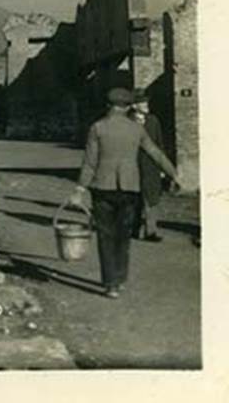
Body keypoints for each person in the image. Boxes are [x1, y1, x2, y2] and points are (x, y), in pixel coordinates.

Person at [71, 87, 180, 299]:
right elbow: (155, 153)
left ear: (108, 106)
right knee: (123, 236)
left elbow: (89, 163)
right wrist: (173, 174)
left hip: (102, 188)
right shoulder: (136, 129)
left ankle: (110, 284)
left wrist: (79, 189)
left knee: (106, 236)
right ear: (129, 107)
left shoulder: (97, 127)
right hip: (130, 188)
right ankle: (120, 279)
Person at [130, 90, 166, 242]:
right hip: (132, 166)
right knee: (134, 199)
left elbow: (159, 144)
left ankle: (151, 231)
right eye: (142, 103)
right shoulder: (127, 122)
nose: (146, 105)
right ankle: (134, 229)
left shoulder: (153, 121)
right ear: (134, 106)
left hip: (151, 166)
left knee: (151, 198)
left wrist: (162, 167)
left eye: (146, 102)